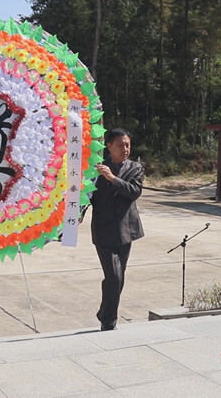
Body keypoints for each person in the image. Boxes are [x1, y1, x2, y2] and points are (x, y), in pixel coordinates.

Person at [89, 128, 144, 331]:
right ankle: (108, 321)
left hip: (126, 230)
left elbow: (134, 192)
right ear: (109, 146)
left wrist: (112, 178)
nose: (125, 149)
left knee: (118, 276)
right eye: (120, 145)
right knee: (114, 275)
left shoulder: (135, 168)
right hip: (103, 230)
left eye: (127, 145)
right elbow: (87, 196)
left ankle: (105, 313)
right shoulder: (96, 169)